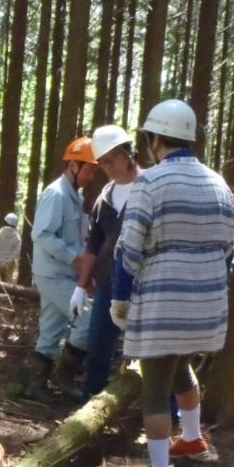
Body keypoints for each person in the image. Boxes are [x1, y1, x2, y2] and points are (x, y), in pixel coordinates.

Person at [111, 99, 234, 467]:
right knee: (179, 362)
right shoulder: (218, 183)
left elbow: (129, 246)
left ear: (154, 139)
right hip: (208, 300)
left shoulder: (151, 182)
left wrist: (120, 297)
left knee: (154, 382)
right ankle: (193, 437)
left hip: (165, 298)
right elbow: (229, 247)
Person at [25, 137, 98, 403]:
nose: (92, 176)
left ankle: (36, 386)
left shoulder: (74, 197)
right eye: (90, 169)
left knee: (52, 329)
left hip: (63, 273)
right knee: (88, 319)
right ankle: (63, 376)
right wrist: (75, 259)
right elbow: (42, 235)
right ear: (76, 166)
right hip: (53, 273)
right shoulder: (55, 194)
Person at [75, 125, 144, 400]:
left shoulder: (149, 188)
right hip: (107, 285)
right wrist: (81, 286)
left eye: (111, 159)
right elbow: (94, 244)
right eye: (102, 162)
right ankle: (89, 403)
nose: (107, 166)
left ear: (128, 153)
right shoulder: (105, 197)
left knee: (147, 352)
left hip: (143, 288)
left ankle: (159, 413)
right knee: (97, 348)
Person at [0, 212, 21, 283]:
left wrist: (1, 260)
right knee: (9, 281)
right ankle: (7, 293)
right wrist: (8, 261)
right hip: (11, 262)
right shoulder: (17, 236)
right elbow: (17, 251)